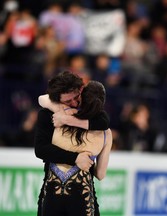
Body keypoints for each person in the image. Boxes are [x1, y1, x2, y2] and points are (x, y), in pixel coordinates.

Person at [34, 71, 110, 214]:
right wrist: (75, 158)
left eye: (76, 97)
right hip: (52, 195)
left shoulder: (92, 114)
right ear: (56, 100)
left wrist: (67, 119)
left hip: (84, 199)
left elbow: (104, 121)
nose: (74, 103)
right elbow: (41, 149)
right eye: (68, 101)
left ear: (81, 91)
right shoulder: (47, 115)